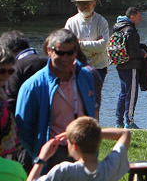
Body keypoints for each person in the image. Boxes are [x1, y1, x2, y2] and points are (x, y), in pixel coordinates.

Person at [14, 29, 98, 170]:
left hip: (84, 149)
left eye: (70, 53)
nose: (65, 58)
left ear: (76, 51)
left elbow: (92, 110)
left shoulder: (85, 76)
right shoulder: (33, 85)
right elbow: (23, 129)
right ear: (49, 50)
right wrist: (39, 152)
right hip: (54, 152)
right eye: (59, 53)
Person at [65, 0, 110, 109]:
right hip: (78, 65)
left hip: (98, 66)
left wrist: (80, 44)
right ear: (76, 5)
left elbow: (103, 46)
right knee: (78, 97)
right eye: (81, 4)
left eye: (88, 3)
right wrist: (94, 45)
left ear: (94, 4)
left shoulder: (101, 21)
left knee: (95, 99)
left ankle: (93, 124)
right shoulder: (71, 22)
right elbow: (68, 46)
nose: (84, 6)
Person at [110, 7, 146, 128]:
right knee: (131, 94)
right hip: (131, 66)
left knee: (123, 93)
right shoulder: (130, 30)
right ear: (132, 17)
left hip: (121, 64)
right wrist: (143, 53)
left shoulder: (119, 27)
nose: (140, 18)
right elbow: (133, 51)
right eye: (138, 16)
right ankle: (129, 121)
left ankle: (118, 121)